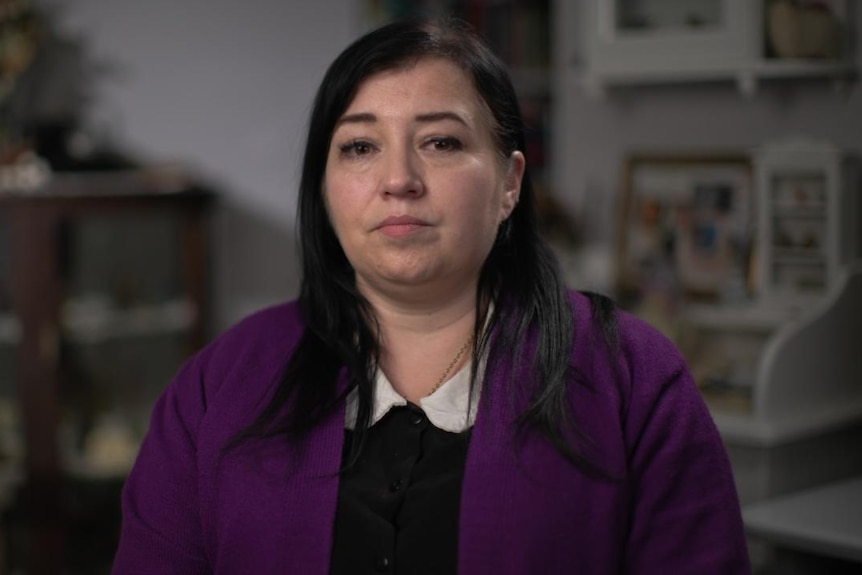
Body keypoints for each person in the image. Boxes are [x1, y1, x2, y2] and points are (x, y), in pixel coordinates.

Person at [112, 18, 751, 574]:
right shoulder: (218, 386)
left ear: (510, 182)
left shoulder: (632, 378)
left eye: (440, 142)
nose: (398, 180)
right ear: (325, 186)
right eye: (360, 147)